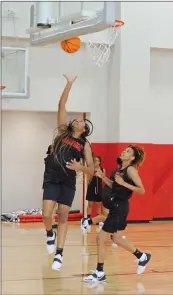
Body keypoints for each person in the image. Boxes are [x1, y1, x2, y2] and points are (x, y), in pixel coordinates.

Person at [42, 75, 94, 271]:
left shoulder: (85, 145)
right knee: (47, 215)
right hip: (51, 178)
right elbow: (61, 106)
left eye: (80, 121)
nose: (76, 120)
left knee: (63, 216)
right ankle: (49, 233)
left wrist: (80, 168)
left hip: (68, 182)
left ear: (84, 128)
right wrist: (69, 84)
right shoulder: (62, 132)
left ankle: (59, 254)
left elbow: (92, 169)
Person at [82, 145, 151, 282]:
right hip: (116, 207)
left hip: (120, 207)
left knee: (100, 238)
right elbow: (113, 185)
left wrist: (124, 184)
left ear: (132, 158)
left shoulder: (130, 170)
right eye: (124, 150)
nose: (123, 152)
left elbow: (141, 190)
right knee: (117, 239)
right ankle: (142, 256)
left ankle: (100, 272)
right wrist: (102, 177)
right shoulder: (118, 170)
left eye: (127, 151)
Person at [86, 156, 105, 221]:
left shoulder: (102, 169)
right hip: (91, 187)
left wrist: (99, 174)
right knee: (90, 204)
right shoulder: (90, 169)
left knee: (98, 204)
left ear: (99, 162)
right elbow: (88, 178)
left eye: (97, 160)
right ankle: (88, 218)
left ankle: (98, 219)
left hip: (98, 187)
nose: (95, 162)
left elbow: (103, 179)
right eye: (94, 160)